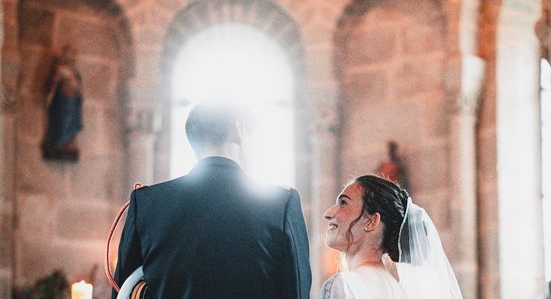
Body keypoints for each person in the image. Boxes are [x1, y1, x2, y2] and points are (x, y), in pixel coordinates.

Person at [113, 103, 312, 298]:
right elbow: (296, 291)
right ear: (239, 128)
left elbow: (125, 290)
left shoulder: (148, 203)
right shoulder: (281, 204)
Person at [320, 174, 462, 299]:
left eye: (343, 203)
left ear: (371, 221)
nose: (328, 213)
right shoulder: (401, 289)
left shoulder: (344, 286)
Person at [42, 44, 83, 161]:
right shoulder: (60, 69)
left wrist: (79, 93)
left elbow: (79, 87)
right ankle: (59, 144)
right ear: (65, 55)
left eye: (73, 54)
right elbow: (54, 85)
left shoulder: (75, 72)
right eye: (69, 54)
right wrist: (50, 96)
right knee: (63, 121)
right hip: (63, 100)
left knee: (72, 123)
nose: (71, 57)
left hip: (74, 101)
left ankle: (70, 144)